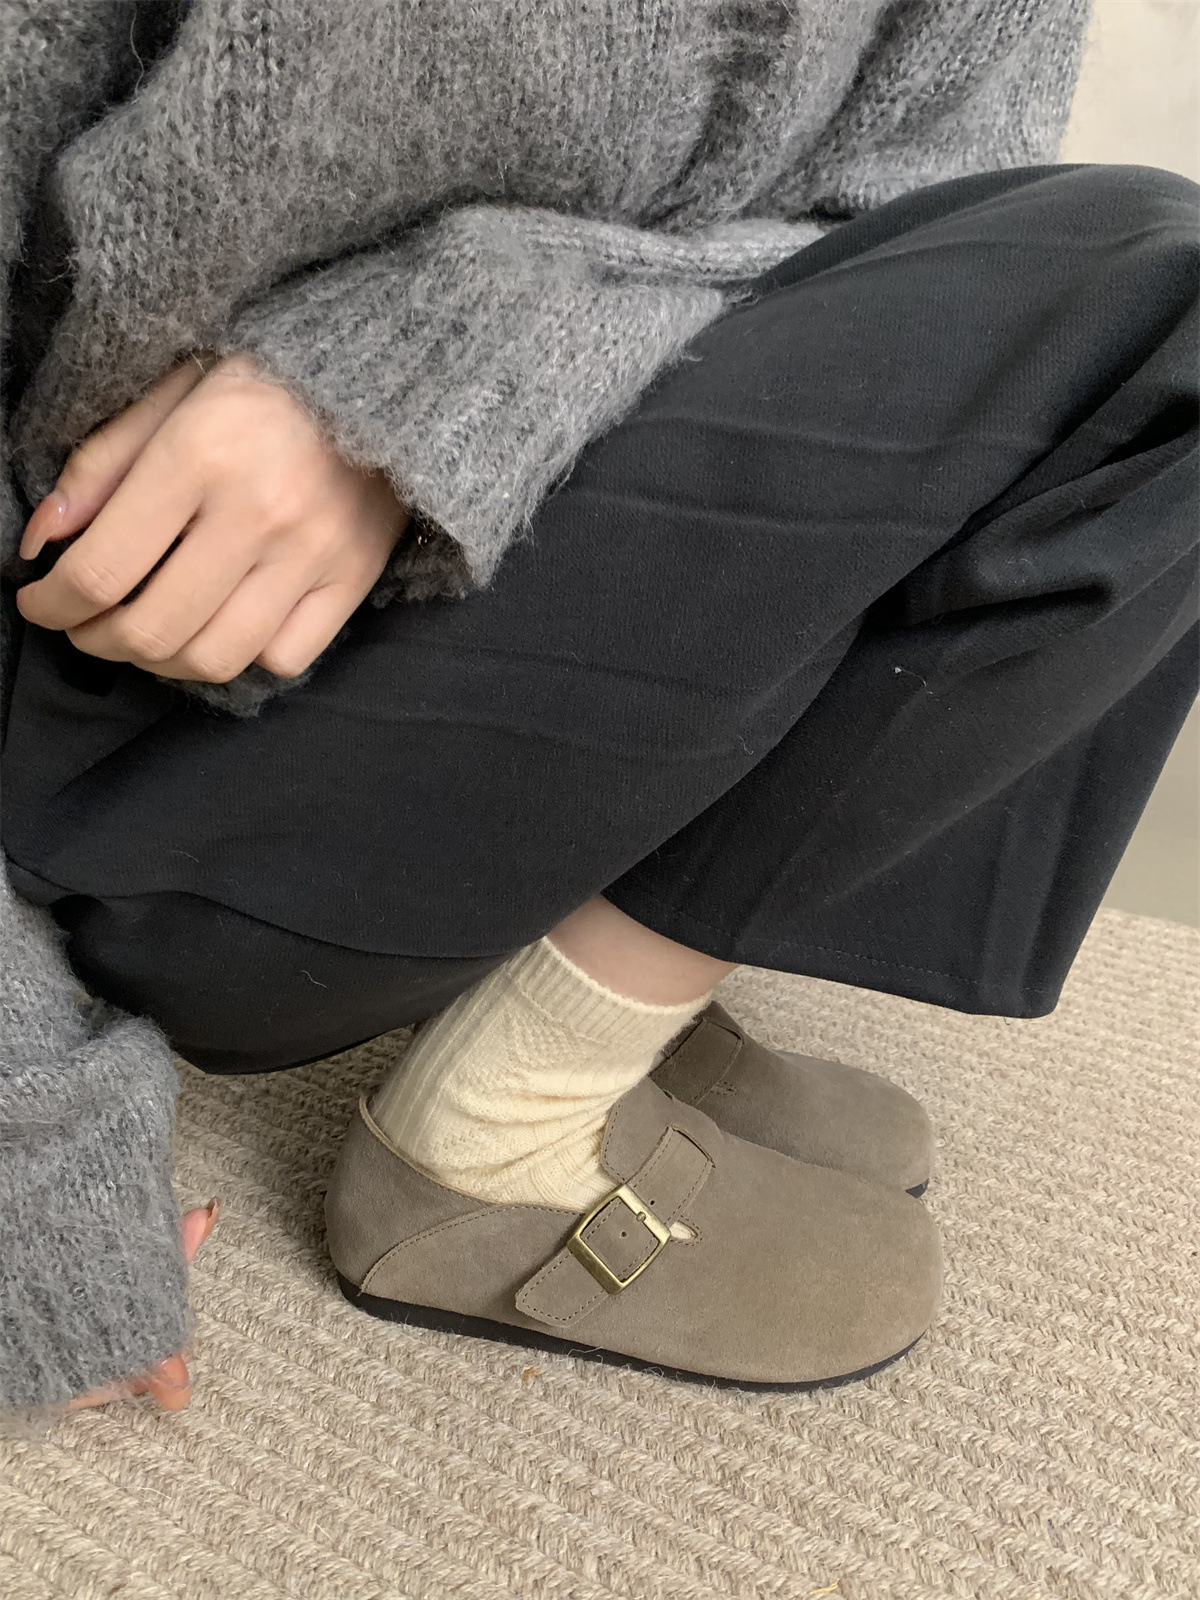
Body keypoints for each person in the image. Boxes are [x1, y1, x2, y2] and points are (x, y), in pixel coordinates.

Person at [1, 0, 1196, 1410]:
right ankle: (491, 1144)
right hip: (131, 718)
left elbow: (914, 242)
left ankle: (564, 1000)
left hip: (474, 526)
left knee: (1136, 294)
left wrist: (431, 364)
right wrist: (29, 1156)